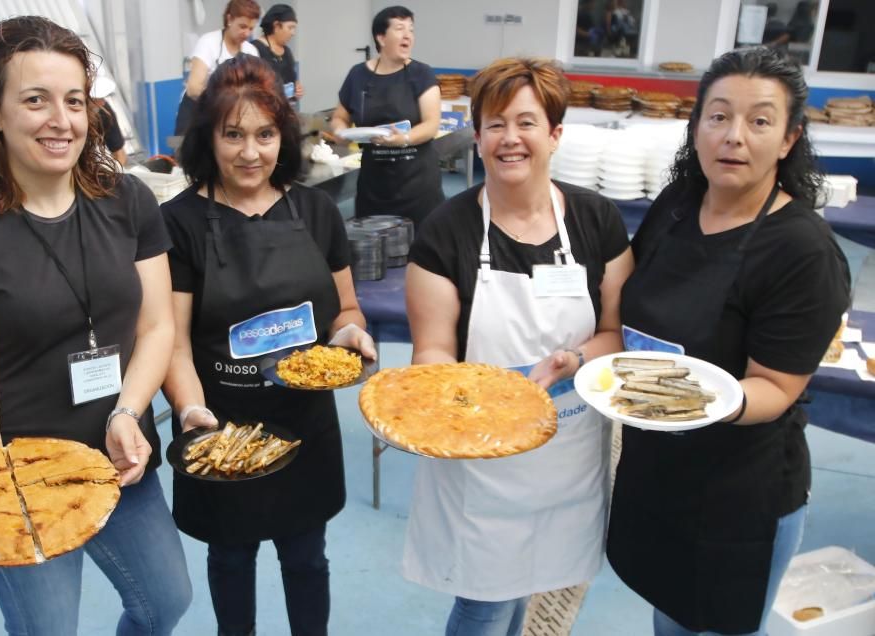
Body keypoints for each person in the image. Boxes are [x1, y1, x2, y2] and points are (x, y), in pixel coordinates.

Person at [0, 15, 192, 635]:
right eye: (35, 100)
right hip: (21, 474)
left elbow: (155, 328)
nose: (60, 120)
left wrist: (126, 411)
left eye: (74, 101)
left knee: (165, 602)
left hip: (118, 459)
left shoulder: (129, 202)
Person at [606, 47, 851, 636]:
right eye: (717, 117)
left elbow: (776, 386)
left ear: (789, 139)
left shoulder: (802, 251)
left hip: (736, 492)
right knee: (669, 619)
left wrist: (705, 400)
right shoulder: (675, 208)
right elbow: (628, 316)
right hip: (653, 464)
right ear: (696, 129)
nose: (733, 137)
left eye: (759, 121)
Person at [403, 57, 634, 636]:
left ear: (555, 134)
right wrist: (442, 411)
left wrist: (574, 359)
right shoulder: (446, 230)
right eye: (495, 123)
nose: (511, 139)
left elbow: (615, 331)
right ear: (476, 135)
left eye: (527, 123)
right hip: (480, 459)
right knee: (484, 602)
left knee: (526, 596)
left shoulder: (595, 219)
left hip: (567, 451)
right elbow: (432, 350)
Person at [161, 55, 375, 636]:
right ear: (209, 138)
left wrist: (349, 334)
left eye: (265, 134)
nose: (250, 152)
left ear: (284, 135)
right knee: (230, 559)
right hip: (222, 428)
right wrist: (189, 411)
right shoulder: (176, 224)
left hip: (307, 424)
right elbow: (173, 343)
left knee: (306, 558)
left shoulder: (317, 211)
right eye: (233, 135)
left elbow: (346, 309)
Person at [331, 5, 444, 228]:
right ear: (381, 38)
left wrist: (404, 139)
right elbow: (340, 116)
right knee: (375, 250)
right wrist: (340, 132)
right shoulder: (358, 75)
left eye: (411, 30)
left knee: (423, 252)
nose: (408, 35)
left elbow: (431, 124)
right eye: (400, 28)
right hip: (374, 185)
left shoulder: (422, 74)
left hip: (418, 185)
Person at [175, 0, 260, 135]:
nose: (247, 33)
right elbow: (194, 89)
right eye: (242, 27)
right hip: (197, 112)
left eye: (251, 29)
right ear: (229, 19)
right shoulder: (208, 43)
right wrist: (224, 101)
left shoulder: (251, 51)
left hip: (232, 116)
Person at [251, 4, 303, 104]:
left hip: (286, 111)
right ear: (276, 26)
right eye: (290, 27)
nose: (293, 33)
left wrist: (297, 89)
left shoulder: (287, 51)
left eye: (294, 28)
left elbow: (293, 81)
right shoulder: (254, 49)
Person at [92, 75, 128, 166]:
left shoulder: (105, 112)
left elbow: (119, 153)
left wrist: (117, 174)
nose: (102, 102)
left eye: (102, 98)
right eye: (97, 99)